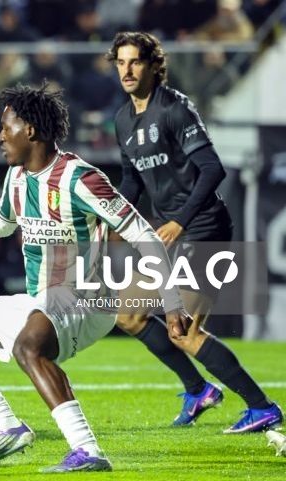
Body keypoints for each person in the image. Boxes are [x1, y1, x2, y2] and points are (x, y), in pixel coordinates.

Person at [0, 82, 190, 472]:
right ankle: (5, 427)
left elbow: (142, 233)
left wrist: (171, 301)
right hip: (43, 297)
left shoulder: (80, 178)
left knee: (27, 347)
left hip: (87, 297)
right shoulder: (17, 177)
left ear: (31, 131)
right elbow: (1, 222)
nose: (0, 135)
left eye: (7, 127)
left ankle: (87, 450)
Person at [107, 31, 283, 432]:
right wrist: (109, 216)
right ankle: (198, 389)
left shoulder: (175, 108)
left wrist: (180, 220)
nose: (127, 70)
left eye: (135, 62)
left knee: (183, 330)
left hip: (203, 230)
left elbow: (213, 169)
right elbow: (133, 182)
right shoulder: (122, 120)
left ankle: (262, 407)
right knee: (128, 315)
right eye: (120, 62)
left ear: (153, 65)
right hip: (170, 237)